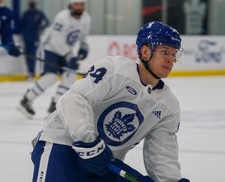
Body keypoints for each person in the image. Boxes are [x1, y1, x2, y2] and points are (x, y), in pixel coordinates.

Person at [30, 21, 190, 182]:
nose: (171, 59)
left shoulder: (168, 106)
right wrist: (89, 140)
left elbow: (162, 155)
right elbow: (72, 99)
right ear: (145, 51)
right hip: (63, 145)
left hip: (103, 163)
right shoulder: (115, 70)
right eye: (165, 52)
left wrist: (171, 181)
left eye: (173, 54)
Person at [17, 0, 90, 118]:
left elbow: (83, 37)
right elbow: (56, 39)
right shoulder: (62, 17)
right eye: (76, 4)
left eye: (81, 4)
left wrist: (84, 48)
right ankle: (26, 100)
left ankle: (55, 105)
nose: (79, 7)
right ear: (71, 5)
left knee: (70, 75)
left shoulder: (86, 18)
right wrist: (69, 56)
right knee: (50, 77)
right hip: (51, 49)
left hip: (66, 51)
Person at [20, 0, 49, 79]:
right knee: (27, 56)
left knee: (34, 55)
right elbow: (21, 24)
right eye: (30, 3)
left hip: (35, 38)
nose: (31, 4)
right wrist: (22, 34)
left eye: (33, 3)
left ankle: (34, 72)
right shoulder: (26, 13)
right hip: (26, 38)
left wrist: (40, 26)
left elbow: (46, 22)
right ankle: (30, 72)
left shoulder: (39, 13)